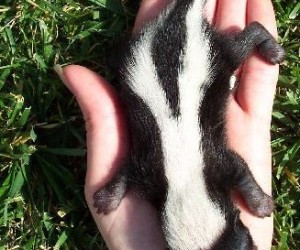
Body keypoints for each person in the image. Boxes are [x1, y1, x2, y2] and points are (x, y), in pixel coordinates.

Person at [55, 0, 280, 248]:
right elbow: (130, 170)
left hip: (181, 62)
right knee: (126, 64)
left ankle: (257, 36)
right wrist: (114, 191)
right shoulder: (154, 179)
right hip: (167, 61)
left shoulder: (213, 170)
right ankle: (257, 35)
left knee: (228, 58)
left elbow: (237, 169)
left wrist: (256, 196)